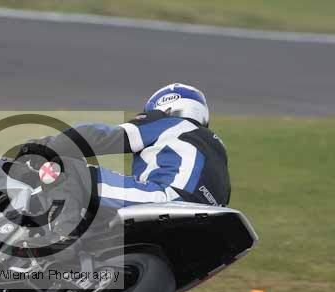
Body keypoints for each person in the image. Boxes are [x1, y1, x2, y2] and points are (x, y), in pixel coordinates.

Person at [18, 83, 231, 220]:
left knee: (66, 171)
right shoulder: (218, 151)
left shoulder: (169, 122)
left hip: (166, 198)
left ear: (164, 106)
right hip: (208, 220)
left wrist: (48, 146)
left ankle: (60, 241)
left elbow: (102, 138)